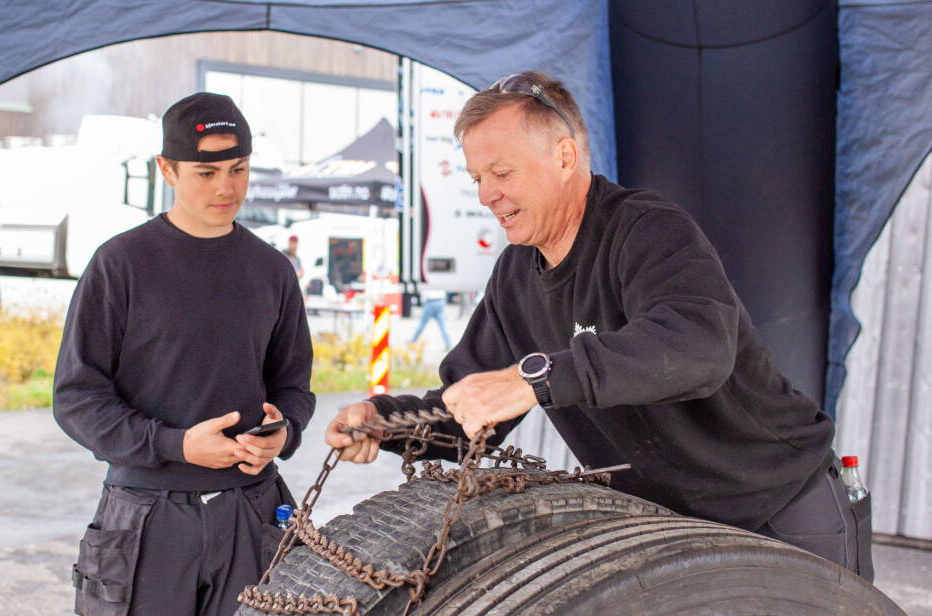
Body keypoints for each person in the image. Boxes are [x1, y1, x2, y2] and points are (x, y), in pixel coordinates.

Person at [325, 71, 873, 581]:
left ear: (565, 157)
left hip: (777, 504)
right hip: (664, 526)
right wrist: (385, 422)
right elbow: (470, 404)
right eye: (476, 178)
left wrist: (533, 380)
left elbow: (698, 347)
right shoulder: (515, 276)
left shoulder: (646, 230)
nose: (485, 194)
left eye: (501, 173)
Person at [54, 92, 316, 616]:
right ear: (167, 170)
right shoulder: (120, 264)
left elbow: (293, 386)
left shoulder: (273, 271)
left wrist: (284, 429)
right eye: (206, 172)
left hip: (252, 512)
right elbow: (77, 399)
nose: (226, 187)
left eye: (238, 168)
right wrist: (173, 445)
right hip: (147, 516)